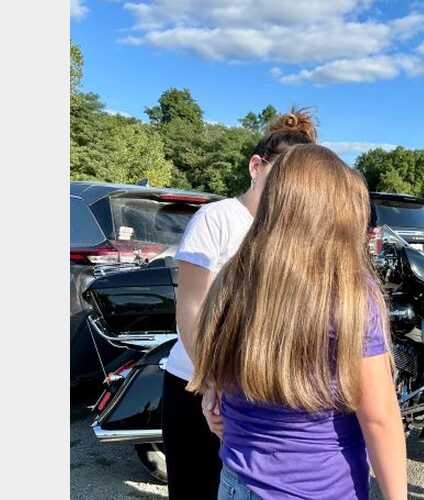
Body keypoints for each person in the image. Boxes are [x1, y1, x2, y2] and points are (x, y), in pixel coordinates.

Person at [186, 144, 408, 500]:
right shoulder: (349, 291)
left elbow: (217, 366)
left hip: (236, 483)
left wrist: (212, 391)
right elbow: (378, 419)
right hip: (319, 489)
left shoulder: (234, 276)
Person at [161, 108, 317, 499]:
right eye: (280, 172)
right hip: (196, 383)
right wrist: (211, 380)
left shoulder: (293, 236)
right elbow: (192, 310)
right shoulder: (217, 219)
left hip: (256, 394)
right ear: (256, 166)